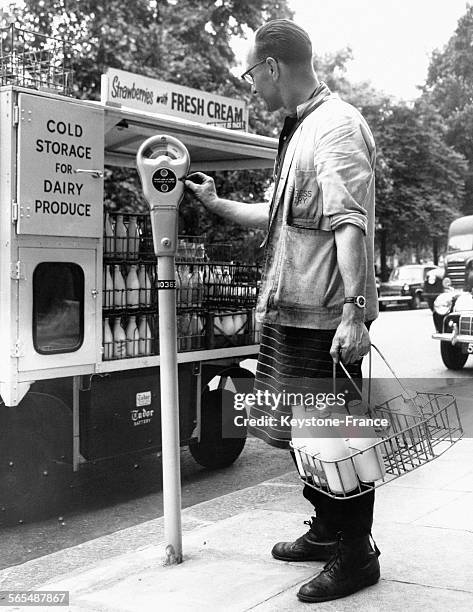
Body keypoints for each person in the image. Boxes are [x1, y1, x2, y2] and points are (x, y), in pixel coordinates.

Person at [185, 18, 379, 603]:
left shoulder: (337, 127)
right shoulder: (303, 130)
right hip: (292, 316)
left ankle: (356, 554)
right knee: (304, 437)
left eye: (251, 75)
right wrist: (215, 202)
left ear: (272, 67)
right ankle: (325, 531)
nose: (251, 87)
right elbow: (274, 215)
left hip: (323, 318)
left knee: (336, 439)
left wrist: (354, 312)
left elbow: (351, 223)